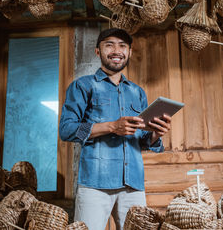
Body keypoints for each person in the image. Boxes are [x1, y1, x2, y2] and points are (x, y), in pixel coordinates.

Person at [59, 28, 172, 230]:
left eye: (122, 46)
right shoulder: (82, 86)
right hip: (95, 183)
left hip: (133, 184)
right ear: (97, 51)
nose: (116, 50)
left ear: (129, 52)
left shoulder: (137, 92)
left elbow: (143, 140)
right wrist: (112, 126)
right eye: (109, 45)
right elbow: (67, 129)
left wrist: (156, 133)